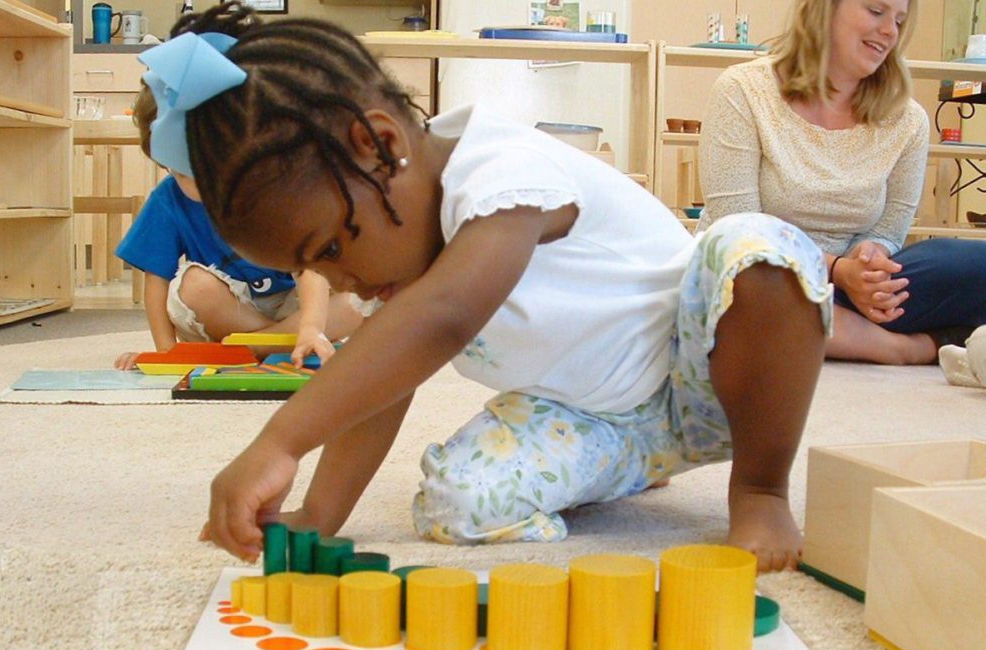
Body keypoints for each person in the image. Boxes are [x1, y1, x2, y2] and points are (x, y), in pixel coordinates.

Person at [144, 3, 834, 572]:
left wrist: (280, 440)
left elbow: (443, 318)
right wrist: (321, 515)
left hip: (707, 379)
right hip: (602, 424)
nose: (338, 279)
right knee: (455, 500)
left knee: (757, 250)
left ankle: (761, 485)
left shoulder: (501, 172)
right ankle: (627, 469)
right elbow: (387, 379)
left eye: (330, 250)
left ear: (377, 144)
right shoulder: (398, 242)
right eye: (318, 270)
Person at [699, 0, 986, 365]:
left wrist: (869, 261)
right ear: (825, 9)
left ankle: (840, 331)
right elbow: (737, 228)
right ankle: (911, 348)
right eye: (876, 11)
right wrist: (836, 269)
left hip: (852, 291)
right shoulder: (742, 90)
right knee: (744, 287)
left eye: (899, 21)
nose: (889, 31)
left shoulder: (908, 119)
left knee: (970, 263)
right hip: (758, 277)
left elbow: (890, 229)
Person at [112, 86, 361, 370]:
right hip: (228, 310)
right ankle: (281, 342)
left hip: (293, 303)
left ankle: (252, 347)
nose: (204, 186)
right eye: (182, 173)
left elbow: (310, 267)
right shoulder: (168, 199)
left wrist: (312, 326)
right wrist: (167, 352)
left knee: (357, 300)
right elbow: (157, 281)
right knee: (194, 286)